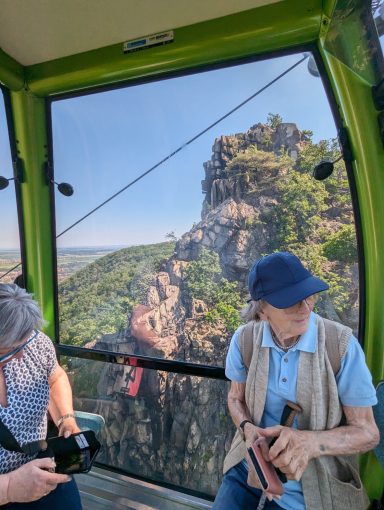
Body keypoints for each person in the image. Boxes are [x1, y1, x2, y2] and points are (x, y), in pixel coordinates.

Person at [212, 252, 379, 510]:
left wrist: (308, 443)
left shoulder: (341, 346)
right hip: (250, 467)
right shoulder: (244, 340)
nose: (305, 307)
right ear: (262, 310)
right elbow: (235, 397)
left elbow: (368, 433)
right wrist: (247, 428)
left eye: (308, 294)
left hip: (312, 490)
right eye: (290, 300)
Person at [0, 284, 82, 509]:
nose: (21, 355)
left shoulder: (36, 344)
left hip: (44, 464)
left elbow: (55, 377)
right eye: (8, 348)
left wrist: (66, 418)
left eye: (24, 342)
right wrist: (8, 487)